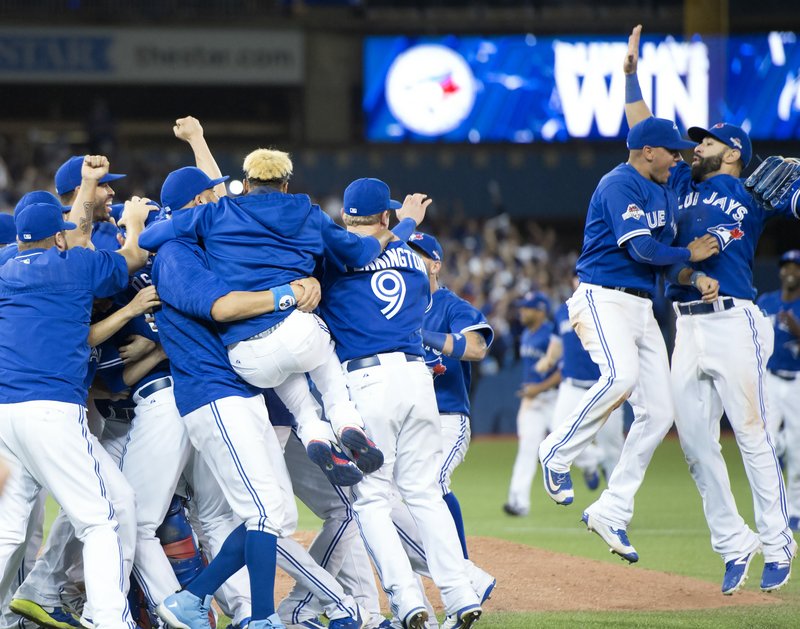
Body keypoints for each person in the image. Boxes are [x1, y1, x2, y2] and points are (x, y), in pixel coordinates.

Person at [623, 24, 798, 593]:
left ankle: (777, 543)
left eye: (706, 142)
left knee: (750, 434)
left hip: (735, 319)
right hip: (685, 326)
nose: (694, 147)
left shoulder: (754, 192)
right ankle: (734, 543)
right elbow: (643, 138)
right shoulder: (678, 184)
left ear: (734, 153)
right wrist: (630, 79)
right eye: (695, 142)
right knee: (696, 444)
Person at [536, 107, 720, 562]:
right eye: (671, 152)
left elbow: (666, 260)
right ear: (648, 152)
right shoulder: (620, 182)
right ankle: (555, 453)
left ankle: (613, 508)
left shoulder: (663, 192)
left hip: (641, 305)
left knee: (659, 412)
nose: (678, 159)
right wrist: (689, 253)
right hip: (602, 296)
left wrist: (692, 275)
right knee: (621, 377)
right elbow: (640, 247)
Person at [319, 178, 482, 629]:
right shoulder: (412, 254)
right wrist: (405, 226)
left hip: (368, 379)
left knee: (371, 498)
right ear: (386, 217)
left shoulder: (334, 253)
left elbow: (352, 256)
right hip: (416, 377)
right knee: (424, 492)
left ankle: (407, 600)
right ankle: (460, 593)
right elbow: (387, 249)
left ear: (346, 217)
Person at [0, 156, 152, 629]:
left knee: (8, 531)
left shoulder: (4, 265)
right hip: (51, 410)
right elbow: (130, 260)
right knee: (100, 519)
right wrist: (133, 225)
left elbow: (75, 233)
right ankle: (109, 619)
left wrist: (86, 186)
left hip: (6, 413)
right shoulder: (75, 266)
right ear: (60, 235)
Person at [536, 279, 625, 490]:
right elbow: (557, 343)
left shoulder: (609, 307)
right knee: (558, 433)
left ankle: (616, 509)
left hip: (605, 385)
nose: (579, 280)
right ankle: (593, 461)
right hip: (571, 386)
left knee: (613, 449)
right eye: (577, 276)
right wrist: (549, 360)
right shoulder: (562, 310)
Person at [503, 291, 560, 517]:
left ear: (541, 311)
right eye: (522, 307)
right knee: (526, 450)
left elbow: (563, 371)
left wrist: (539, 387)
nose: (522, 311)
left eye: (527, 308)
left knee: (568, 445)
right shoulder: (526, 333)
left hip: (554, 398)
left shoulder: (551, 335)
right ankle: (518, 502)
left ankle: (594, 463)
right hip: (532, 402)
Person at [758, 250, 800, 533]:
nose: (790, 271)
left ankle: (795, 510)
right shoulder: (766, 301)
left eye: (795, 267)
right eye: (786, 266)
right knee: (765, 442)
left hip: (797, 379)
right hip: (770, 379)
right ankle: (771, 508)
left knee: (798, 448)